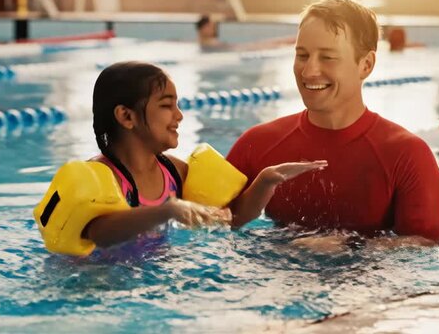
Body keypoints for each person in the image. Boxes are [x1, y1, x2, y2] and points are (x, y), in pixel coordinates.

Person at [226, 0, 439, 247]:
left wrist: (350, 248)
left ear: (366, 65)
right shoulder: (257, 144)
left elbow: (424, 246)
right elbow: (209, 225)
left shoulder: (407, 155)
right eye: (302, 55)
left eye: (327, 57)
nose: (309, 72)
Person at [84, 61, 326, 248]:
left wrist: (266, 180)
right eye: (167, 105)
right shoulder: (99, 176)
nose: (179, 115)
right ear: (127, 116)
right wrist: (167, 210)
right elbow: (99, 234)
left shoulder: (174, 173)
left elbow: (229, 219)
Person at [196, 14, 296, 52]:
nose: (214, 29)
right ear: (203, 28)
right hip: (236, 49)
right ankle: (293, 39)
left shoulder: (201, 42)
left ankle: (292, 40)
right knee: (269, 44)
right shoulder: (207, 42)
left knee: (270, 43)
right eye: (211, 26)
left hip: (234, 48)